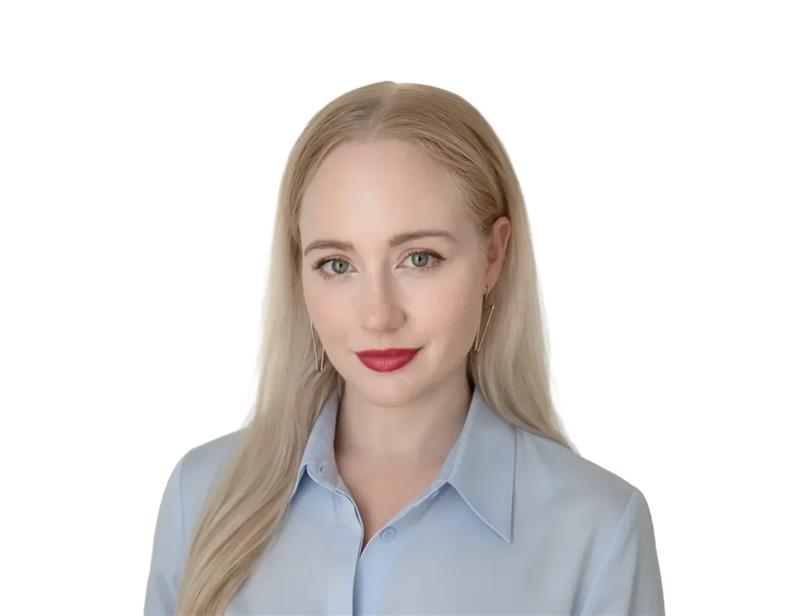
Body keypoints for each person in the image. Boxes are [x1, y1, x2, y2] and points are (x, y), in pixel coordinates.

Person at [144, 81, 665, 615]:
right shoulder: (200, 497)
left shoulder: (598, 531)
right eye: (337, 265)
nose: (378, 315)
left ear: (494, 254)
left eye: (419, 258)